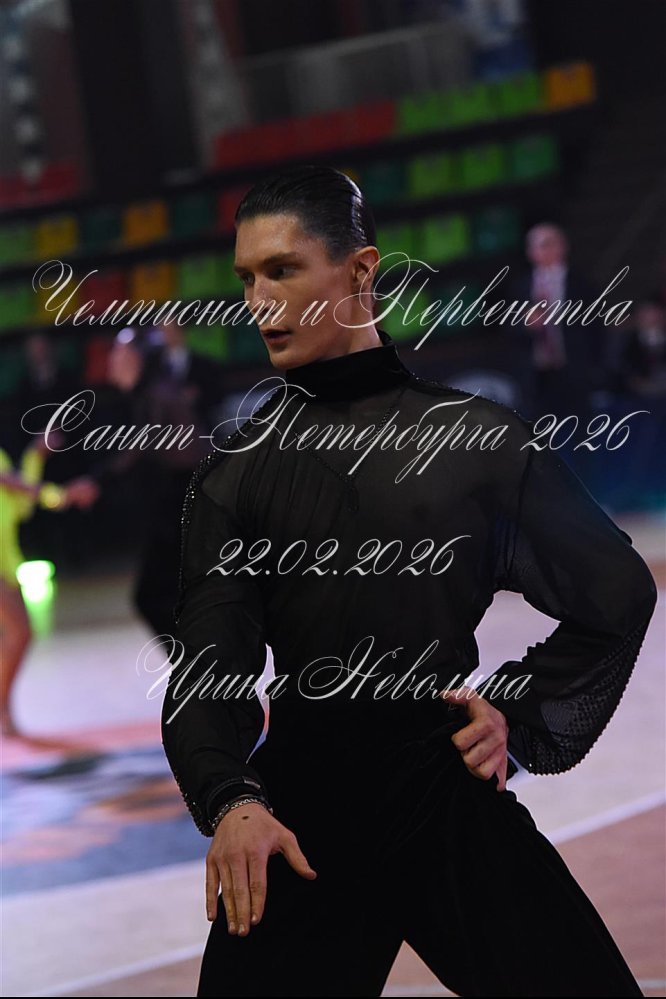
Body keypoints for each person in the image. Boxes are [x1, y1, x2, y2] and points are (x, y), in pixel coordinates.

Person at [161, 166, 657, 997]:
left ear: (361, 270)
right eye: (246, 278)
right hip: (302, 822)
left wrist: (518, 710)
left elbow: (617, 593)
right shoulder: (235, 475)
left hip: (446, 791)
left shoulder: (478, 443)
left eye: (283, 269)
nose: (258, 301)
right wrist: (232, 800)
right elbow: (208, 672)